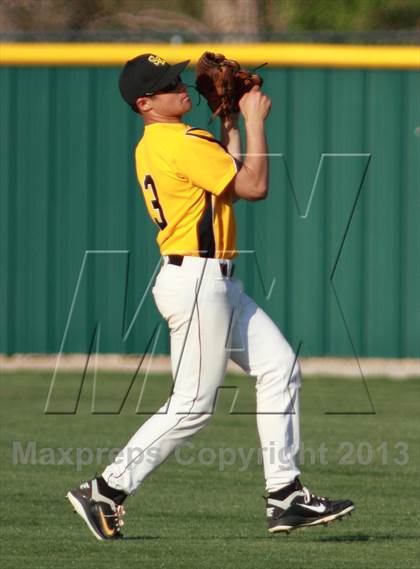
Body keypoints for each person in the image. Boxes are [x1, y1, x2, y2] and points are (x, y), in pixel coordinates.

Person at [67, 53, 354, 540]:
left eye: (176, 76)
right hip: (199, 282)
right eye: (167, 84)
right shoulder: (182, 140)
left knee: (279, 366)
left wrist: (227, 122)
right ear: (145, 103)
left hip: (210, 281)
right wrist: (254, 118)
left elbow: (227, 182)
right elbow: (255, 185)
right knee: (193, 406)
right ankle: (106, 489)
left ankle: (285, 495)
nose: (181, 85)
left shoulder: (158, 142)